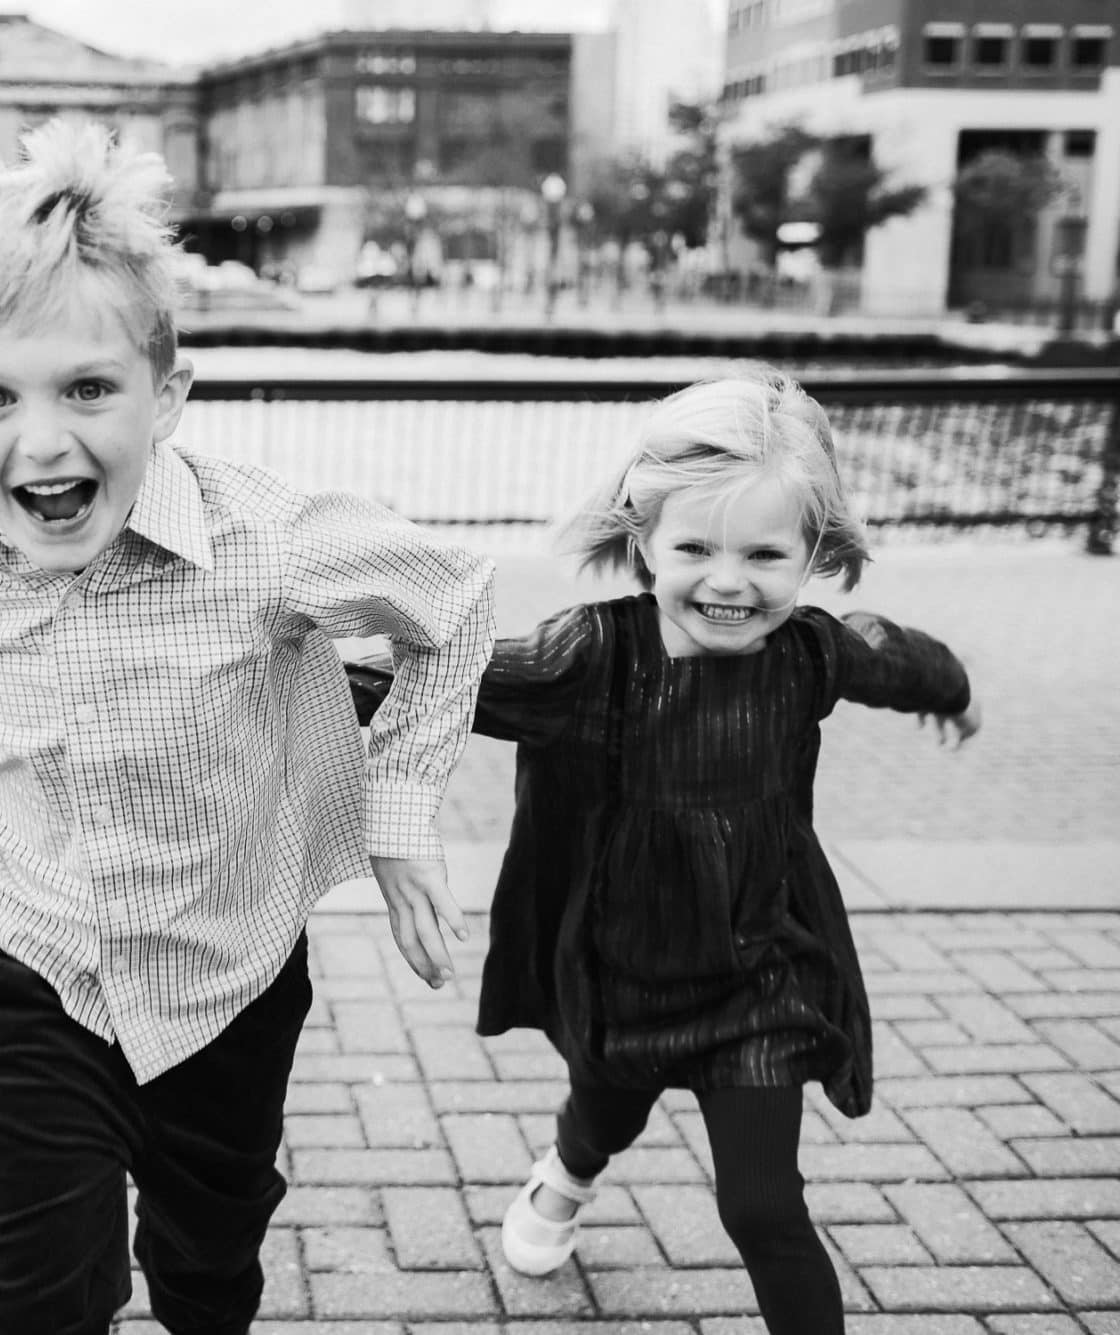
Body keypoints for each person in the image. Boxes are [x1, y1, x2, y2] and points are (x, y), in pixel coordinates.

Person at [0, 120, 496, 1334]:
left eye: (87, 387)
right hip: (48, 969)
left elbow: (451, 599)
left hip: (230, 977)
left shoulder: (267, 542)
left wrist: (396, 818)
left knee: (205, 1263)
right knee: (27, 1290)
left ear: (166, 393)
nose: (42, 439)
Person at [367, 369, 978, 1333]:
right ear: (642, 538)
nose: (728, 582)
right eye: (695, 546)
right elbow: (460, 683)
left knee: (766, 1207)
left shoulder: (808, 654)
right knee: (605, 1114)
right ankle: (566, 1173)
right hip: (625, 968)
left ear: (814, 551)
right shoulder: (591, 655)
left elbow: (888, 652)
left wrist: (952, 691)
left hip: (765, 973)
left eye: (766, 553)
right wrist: (307, 659)